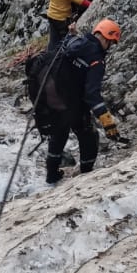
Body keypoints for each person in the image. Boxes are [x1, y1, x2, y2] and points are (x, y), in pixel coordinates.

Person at [45, 19, 122, 184]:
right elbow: (92, 94)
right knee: (88, 135)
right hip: (74, 104)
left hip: (54, 97)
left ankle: (51, 175)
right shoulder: (97, 60)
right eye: (111, 43)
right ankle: (87, 175)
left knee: (59, 134)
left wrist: (71, 34)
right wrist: (106, 120)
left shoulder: (76, 41)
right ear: (107, 39)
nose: (110, 47)